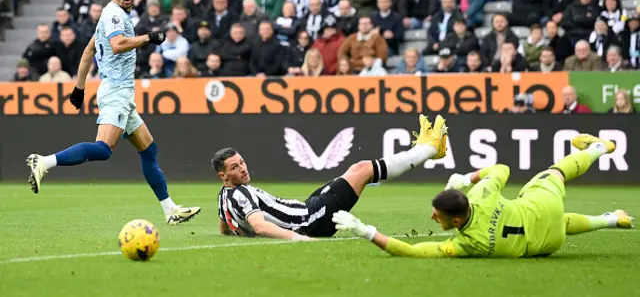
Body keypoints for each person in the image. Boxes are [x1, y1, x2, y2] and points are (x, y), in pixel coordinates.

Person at [26, 0, 200, 225]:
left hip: (120, 93)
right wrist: (148, 38)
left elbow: (88, 51)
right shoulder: (114, 14)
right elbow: (118, 44)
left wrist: (79, 87)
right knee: (104, 150)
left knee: (149, 150)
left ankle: (169, 209)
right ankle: (43, 162)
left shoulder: (109, 15)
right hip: (116, 92)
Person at [333, 134, 633, 257]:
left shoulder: (466, 244)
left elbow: (410, 252)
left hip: (548, 243)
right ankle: (597, 149)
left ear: (458, 219)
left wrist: (365, 230)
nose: (432, 217)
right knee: (556, 173)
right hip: (544, 208)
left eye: (438, 216)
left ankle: (610, 218)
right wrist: (467, 178)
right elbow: (502, 168)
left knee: (558, 222)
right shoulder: (483, 193)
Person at [215, 114, 448, 239]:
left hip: (307, 209)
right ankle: (429, 149)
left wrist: (236, 233)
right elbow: (260, 227)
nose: (243, 168)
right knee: (362, 169)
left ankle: (424, 149)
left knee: (355, 171)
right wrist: (300, 239)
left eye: (242, 162)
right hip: (309, 222)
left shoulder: (224, 195)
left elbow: (224, 226)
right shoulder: (242, 193)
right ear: (223, 175)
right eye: (235, 167)